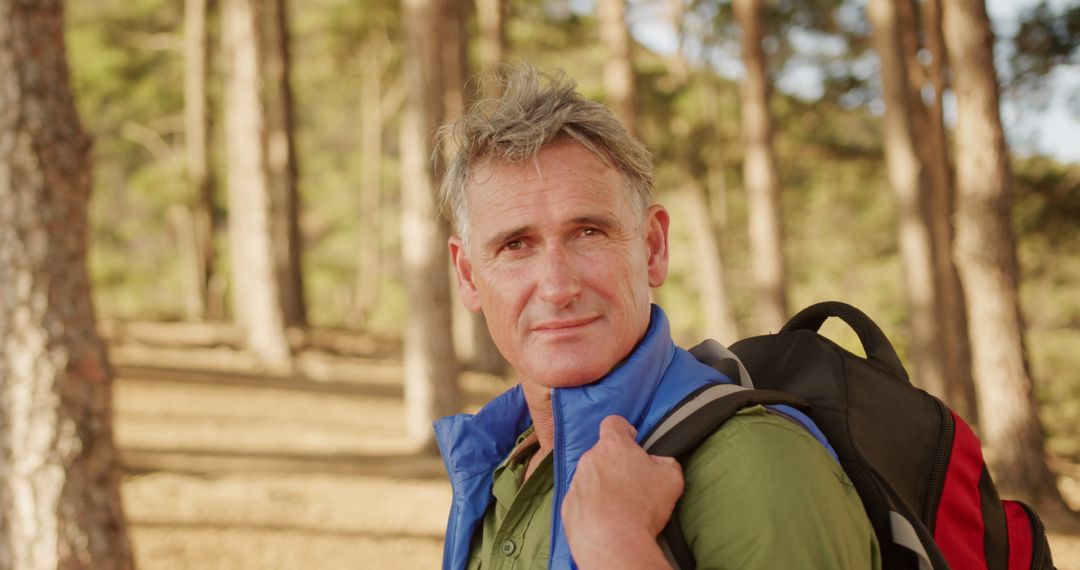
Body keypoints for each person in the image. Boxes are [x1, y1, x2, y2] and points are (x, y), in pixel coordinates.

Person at [433, 64, 880, 570]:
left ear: (653, 247)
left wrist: (617, 546)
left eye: (588, 233)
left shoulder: (758, 463)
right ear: (468, 276)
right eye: (516, 244)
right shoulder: (500, 463)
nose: (557, 288)